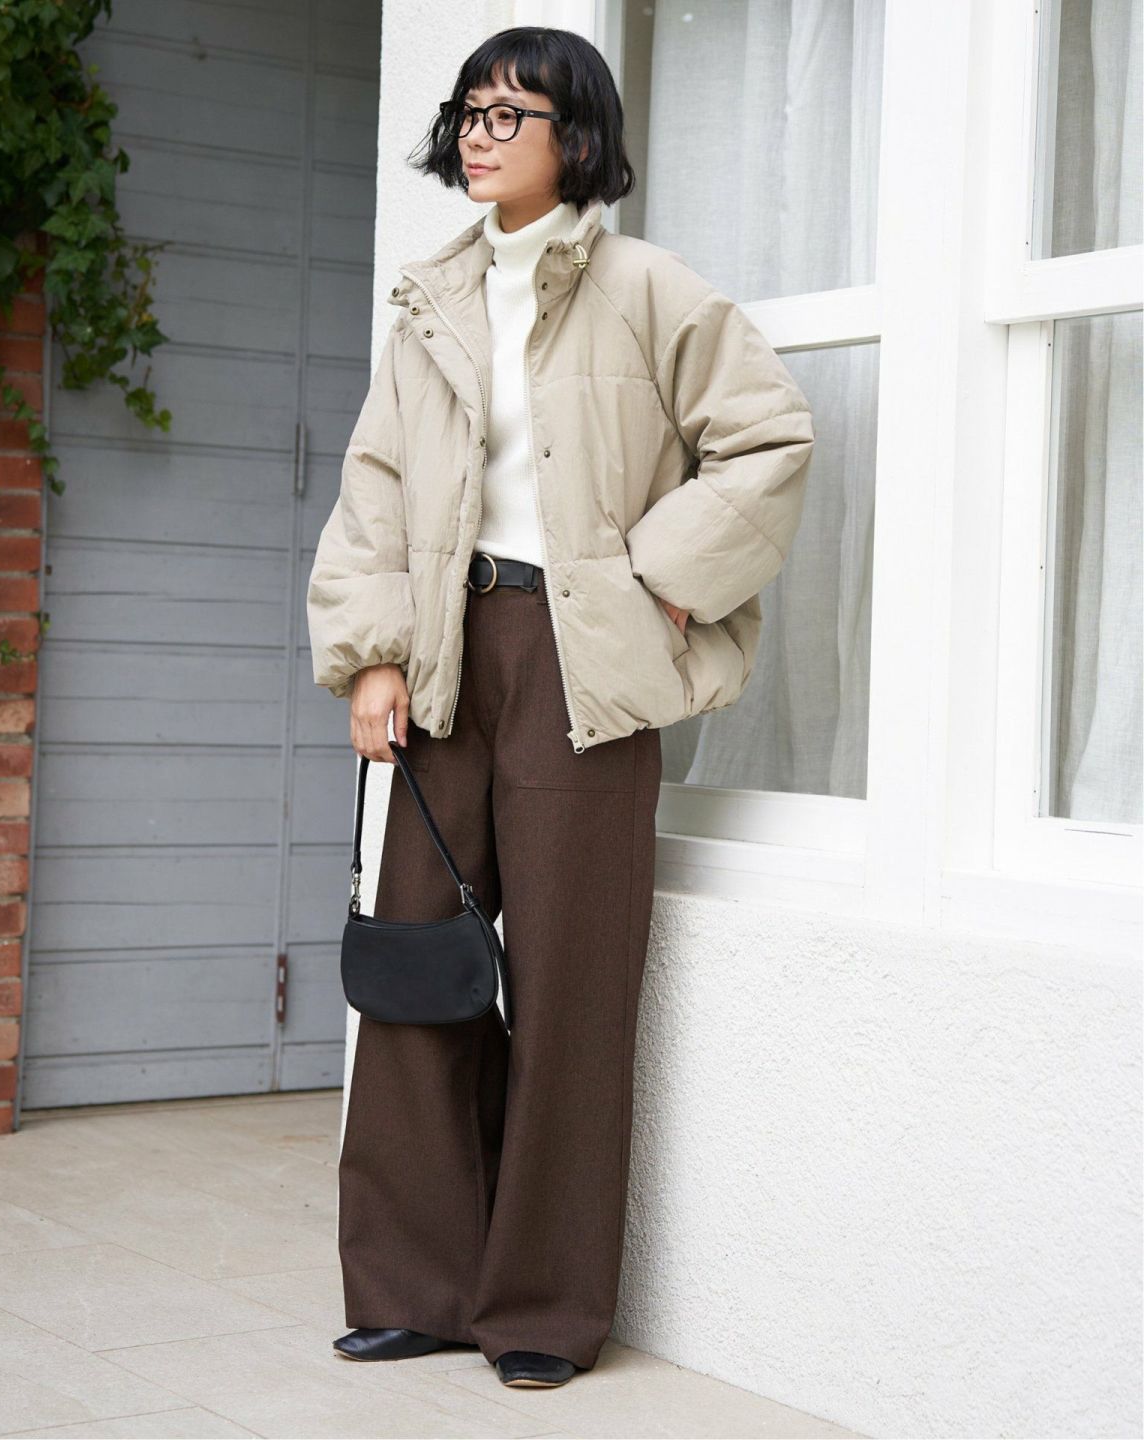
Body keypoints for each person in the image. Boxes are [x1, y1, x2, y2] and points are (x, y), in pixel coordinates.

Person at [307, 25, 815, 1390]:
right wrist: (370, 654)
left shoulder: (649, 289)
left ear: (574, 137)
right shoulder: (430, 298)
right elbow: (375, 488)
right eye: (469, 112)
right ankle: (415, 1287)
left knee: (573, 988)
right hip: (442, 650)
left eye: (509, 114)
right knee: (414, 966)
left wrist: (661, 581)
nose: (479, 135)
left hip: (580, 659)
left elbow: (769, 437)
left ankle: (540, 1308)